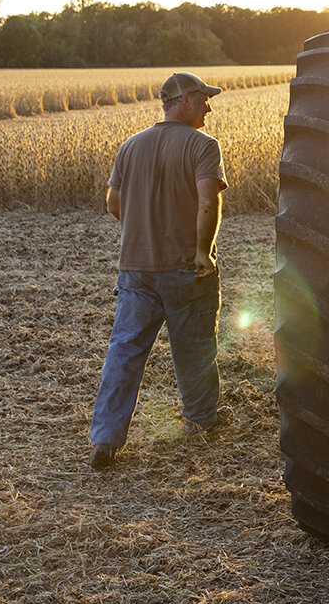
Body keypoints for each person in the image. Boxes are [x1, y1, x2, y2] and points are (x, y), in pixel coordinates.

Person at [89, 72, 230, 470]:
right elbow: (208, 203)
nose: (208, 105)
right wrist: (202, 253)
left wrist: (141, 233)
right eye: (203, 97)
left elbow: (113, 204)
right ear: (183, 99)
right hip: (185, 268)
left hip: (135, 269)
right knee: (195, 348)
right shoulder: (203, 146)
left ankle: (105, 439)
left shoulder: (130, 146)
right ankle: (201, 422)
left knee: (124, 352)